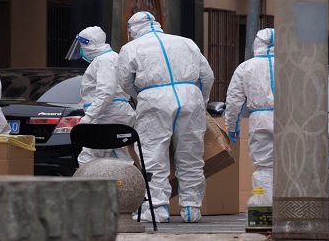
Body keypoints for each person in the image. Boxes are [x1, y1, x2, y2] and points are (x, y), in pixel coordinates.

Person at [117, 11, 215, 224]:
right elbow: (207, 75)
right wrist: (201, 99)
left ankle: (157, 208)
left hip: (153, 98)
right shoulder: (186, 42)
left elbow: (124, 82)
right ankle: (191, 209)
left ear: (132, 29)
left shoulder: (131, 48)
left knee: (153, 154)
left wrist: (140, 96)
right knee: (190, 154)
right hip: (190, 96)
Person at [67, 25, 136, 165]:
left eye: (82, 46)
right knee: (119, 159)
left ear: (90, 44)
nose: (81, 50)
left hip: (108, 115)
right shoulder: (108, 59)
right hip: (111, 114)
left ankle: (90, 186)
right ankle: (127, 185)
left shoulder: (105, 60)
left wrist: (90, 115)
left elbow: (106, 92)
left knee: (89, 159)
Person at [224, 28, 276, 192]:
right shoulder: (293, 65)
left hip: (260, 120)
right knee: (292, 165)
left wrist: (232, 127)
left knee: (264, 166)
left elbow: (234, 100)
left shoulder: (246, 68)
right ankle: (290, 209)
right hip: (289, 118)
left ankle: (266, 207)